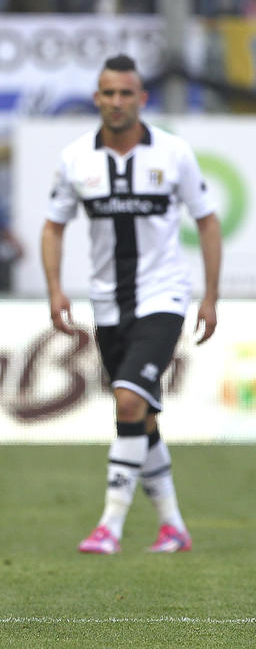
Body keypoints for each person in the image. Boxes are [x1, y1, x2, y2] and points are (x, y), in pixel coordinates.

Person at [40, 54, 222, 555]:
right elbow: (53, 226)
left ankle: (110, 526)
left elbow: (207, 220)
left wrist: (209, 295)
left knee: (127, 400)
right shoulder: (77, 157)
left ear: (142, 99)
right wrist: (55, 289)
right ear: (96, 98)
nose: (116, 102)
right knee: (139, 415)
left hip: (163, 297)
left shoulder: (174, 153)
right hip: (107, 305)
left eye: (126, 93)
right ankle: (173, 526)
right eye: (107, 93)